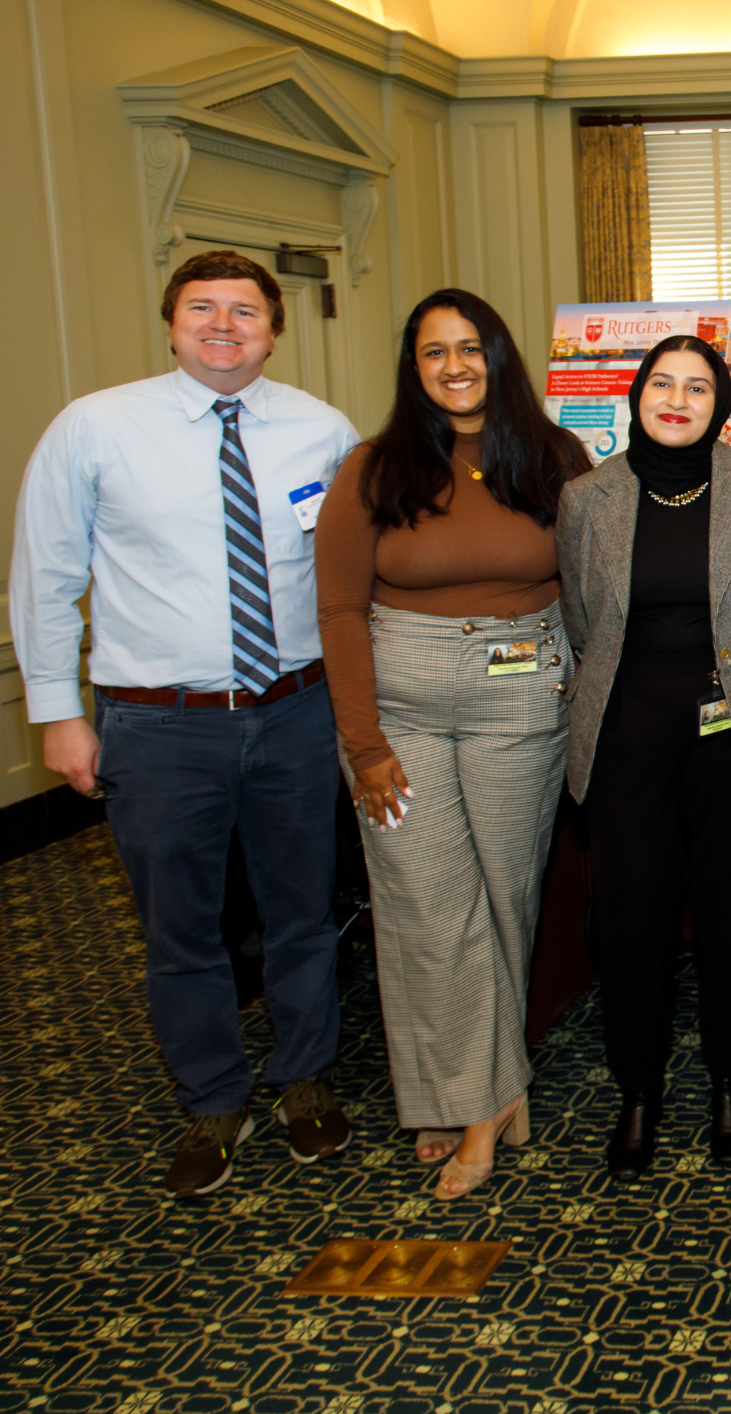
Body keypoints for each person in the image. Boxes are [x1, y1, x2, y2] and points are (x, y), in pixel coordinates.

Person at [10, 250, 358, 1195]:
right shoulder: (95, 428)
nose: (223, 325)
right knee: (180, 928)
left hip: (295, 711)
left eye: (245, 311)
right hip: (159, 725)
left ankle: (305, 1079)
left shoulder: (322, 432)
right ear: (170, 323)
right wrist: (57, 715)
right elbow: (45, 580)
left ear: (273, 330)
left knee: (304, 912)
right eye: (202, 308)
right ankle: (212, 1094)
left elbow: (349, 578)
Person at [314, 288, 589, 1200]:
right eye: (434, 353)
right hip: (403, 712)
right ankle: (478, 1103)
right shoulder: (371, 470)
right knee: (426, 908)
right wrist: (365, 744)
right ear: (414, 369)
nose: (455, 366)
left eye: (470, 348)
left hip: (520, 702)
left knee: (504, 898)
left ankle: (466, 1092)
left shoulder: (554, 460)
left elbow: (590, 591)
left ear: (499, 358)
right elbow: (340, 610)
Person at [557, 335, 731, 1181]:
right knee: (632, 919)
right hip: (625, 734)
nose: (678, 398)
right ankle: (638, 1089)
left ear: (722, 405)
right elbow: (583, 622)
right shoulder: (586, 498)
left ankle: (730, 1077)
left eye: (697, 386)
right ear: (636, 395)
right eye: (662, 383)